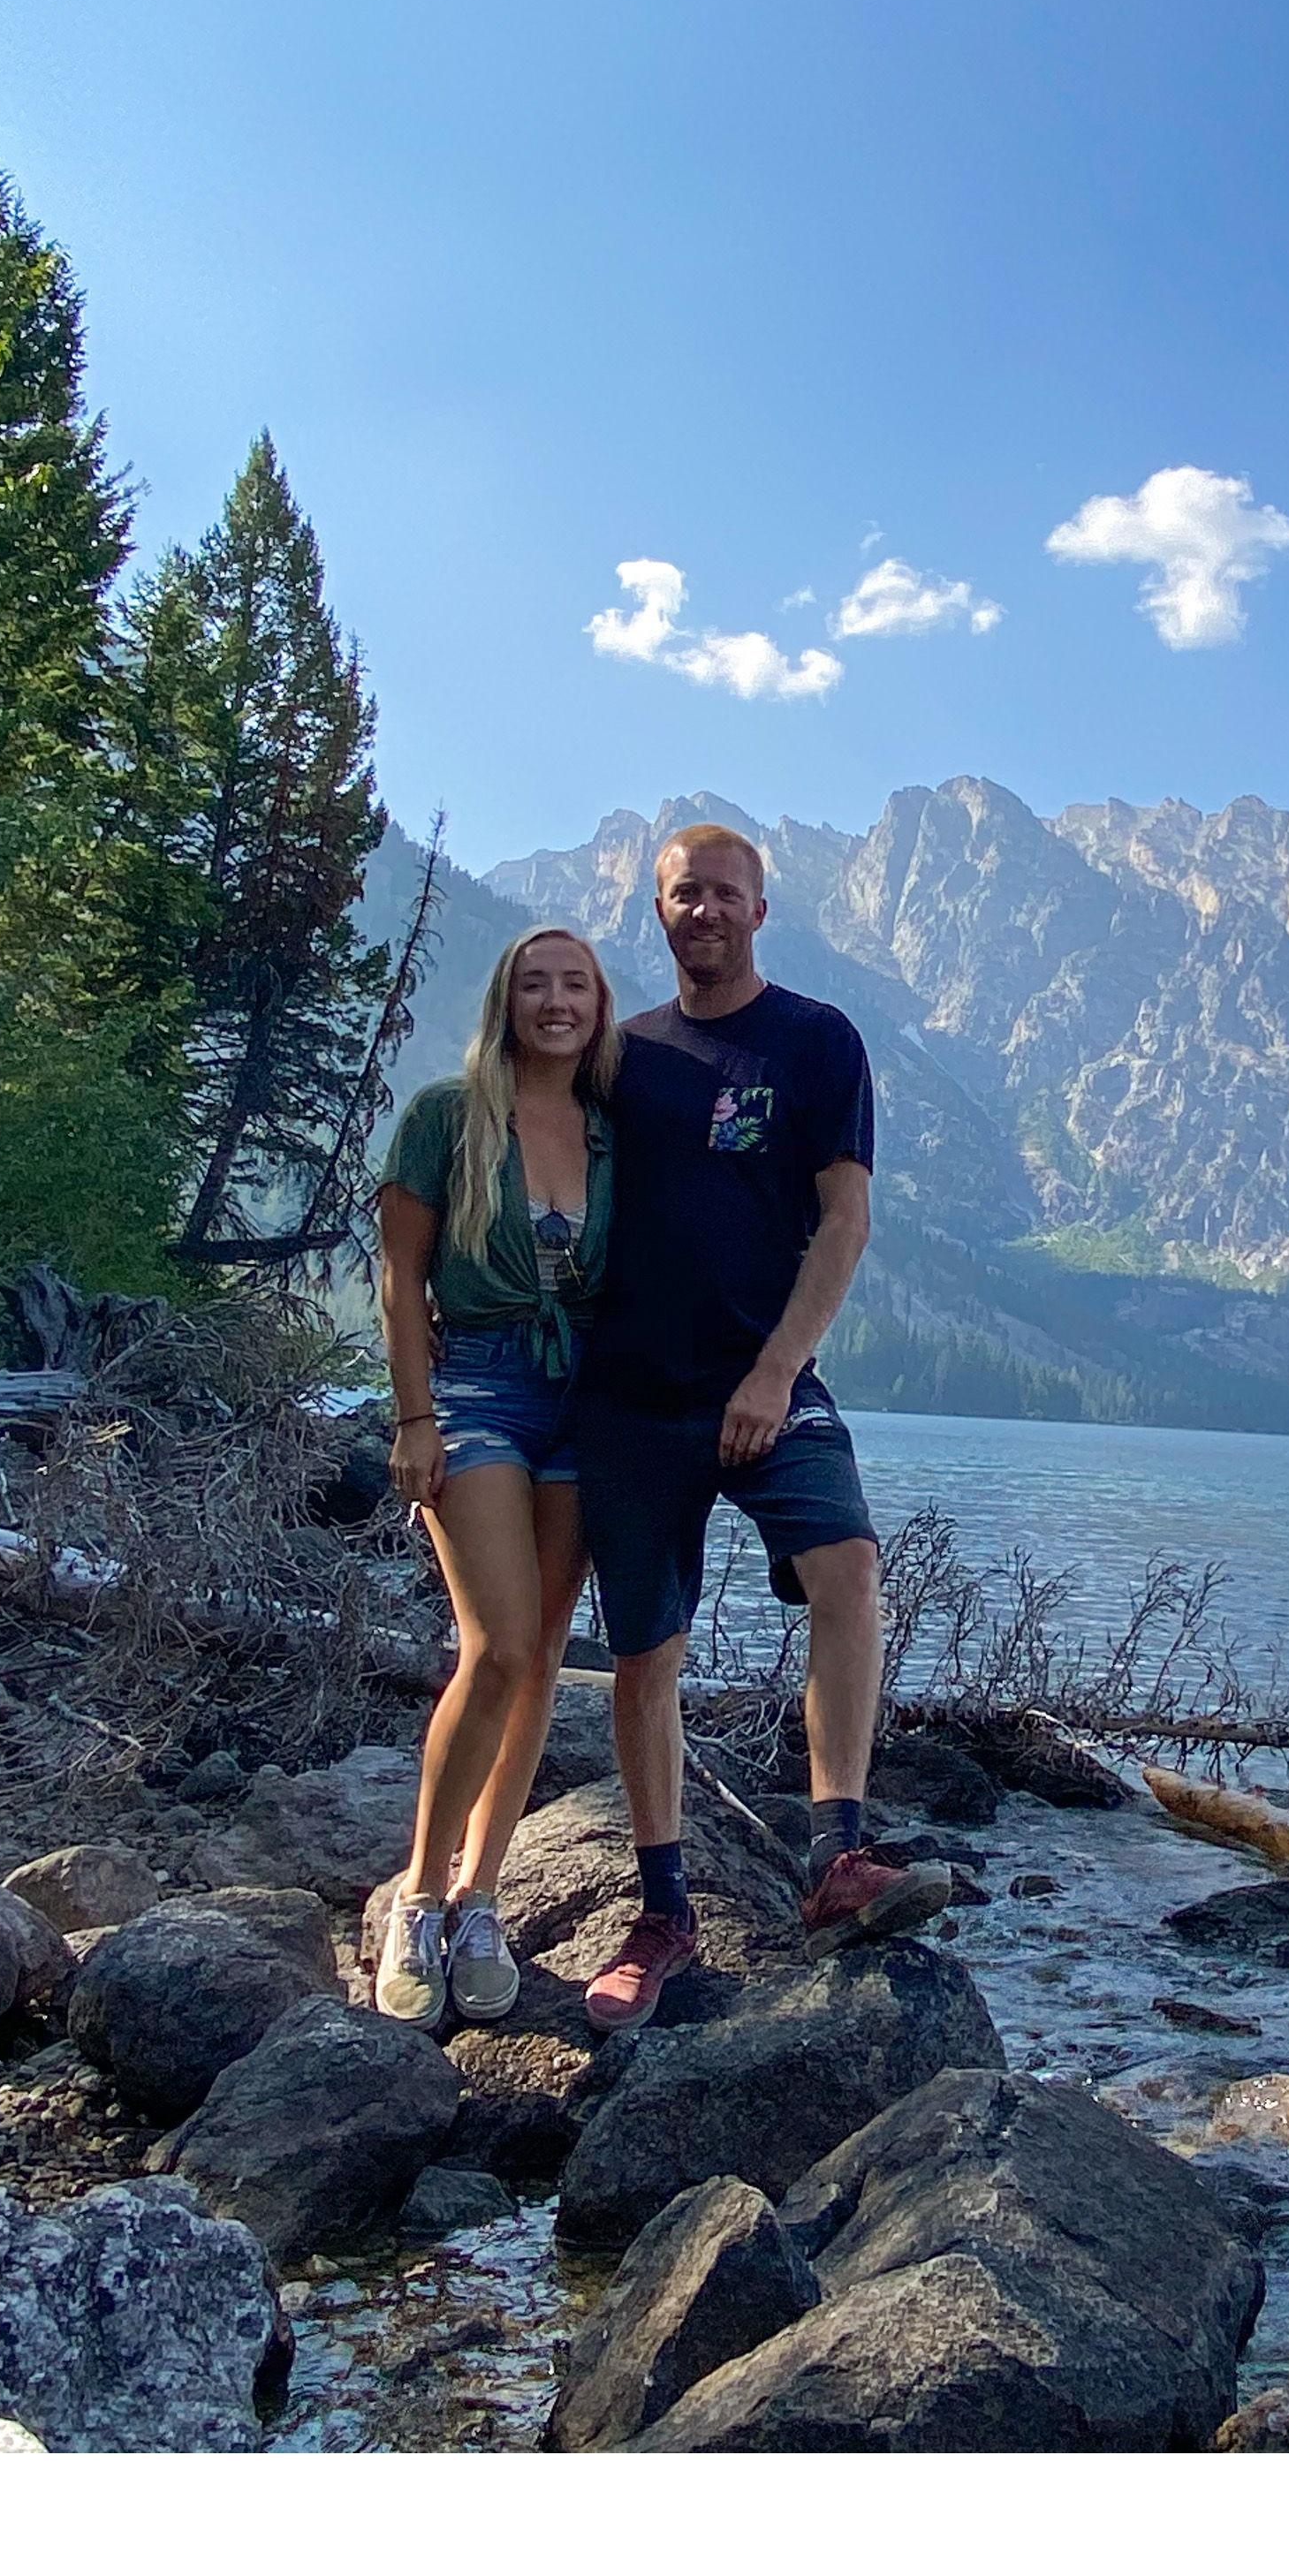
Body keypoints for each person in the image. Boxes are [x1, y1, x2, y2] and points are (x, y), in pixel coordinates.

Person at [571, 822, 943, 2034]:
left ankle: (839, 1855)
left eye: (725, 893)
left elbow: (845, 1224)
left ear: (762, 910)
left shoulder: (816, 1041)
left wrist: (778, 1370)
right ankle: (662, 1907)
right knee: (646, 1652)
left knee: (847, 1563)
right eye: (685, 895)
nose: (706, 912)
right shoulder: (620, 1058)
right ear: (659, 910)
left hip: (770, 1378)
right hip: (631, 1393)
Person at [362, 927, 619, 2027]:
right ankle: (418, 1899)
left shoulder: (615, 1131)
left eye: (575, 984)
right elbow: (399, 1280)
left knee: (544, 1659)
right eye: (534, 982)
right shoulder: (443, 1119)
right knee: (498, 1644)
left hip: (588, 1401)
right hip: (475, 1387)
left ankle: (481, 1899)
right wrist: (413, 1417)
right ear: (505, 999)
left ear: (600, 1004)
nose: (555, 1001)